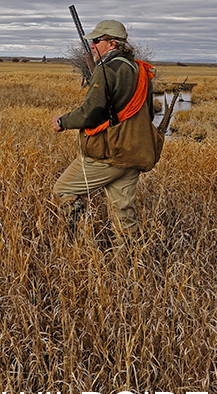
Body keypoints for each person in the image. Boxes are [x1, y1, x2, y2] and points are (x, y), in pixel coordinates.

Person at [51, 19, 157, 242]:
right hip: (134, 153)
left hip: (109, 154)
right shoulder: (139, 69)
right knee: (123, 215)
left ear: (112, 43)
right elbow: (149, 112)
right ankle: (129, 266)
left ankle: (77, 241)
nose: (92, 45)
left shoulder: (107, 70)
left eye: (97, 40)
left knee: (63, 190)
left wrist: (62, 121)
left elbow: (91, 112)